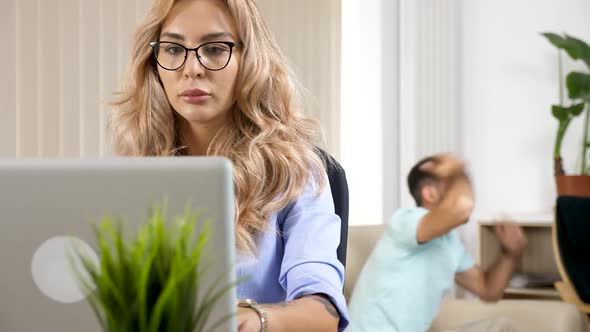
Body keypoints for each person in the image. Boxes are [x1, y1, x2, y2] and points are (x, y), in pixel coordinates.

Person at [108, 0, 348, 331]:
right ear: (154, 63)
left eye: (215, 48)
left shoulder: (297, 172)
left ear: (250, 60)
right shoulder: (130, 171)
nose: (192, 68)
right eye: (174, 49)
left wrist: (256, 319)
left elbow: (324, 313)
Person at [347, 154, 527, 332]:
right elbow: (462, 207)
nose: (466, 188)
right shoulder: (405, 222)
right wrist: (457, 169)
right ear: (430, 194)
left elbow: (489, 290)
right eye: (454, 183)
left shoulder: (450, 242)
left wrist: (509, 254)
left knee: (502, 326)